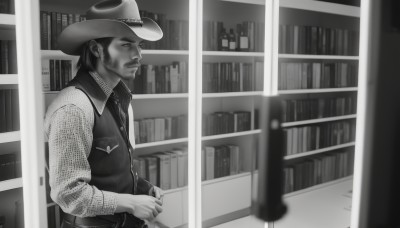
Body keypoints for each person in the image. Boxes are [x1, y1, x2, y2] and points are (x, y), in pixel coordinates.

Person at [44, 0, 164, 227]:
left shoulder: (119, 97)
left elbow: (107, 169)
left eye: (140, 45)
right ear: (96, 49)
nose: (138, 54)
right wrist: (130, 203)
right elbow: (69, 195)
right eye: (126, 45)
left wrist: (142, 188)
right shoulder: (73, 109)